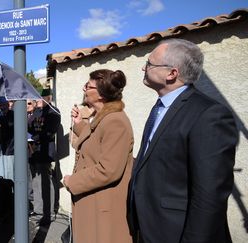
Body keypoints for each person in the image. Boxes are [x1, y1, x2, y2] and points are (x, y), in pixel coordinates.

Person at [128, 39, 238, 243]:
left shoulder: (209, 114)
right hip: (149, 229)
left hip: (177, 233)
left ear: (172, 73)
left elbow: (209, 196)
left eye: (150, 63)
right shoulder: (159, 108)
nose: (144, 67)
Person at [63, 69, 134, 243]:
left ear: (101, 94)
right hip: (94, 203)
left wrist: (72, 182)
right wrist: (79, 124)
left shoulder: (115, 121)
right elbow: (94, 140)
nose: (84, 90)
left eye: (88, 86)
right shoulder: (103, 118)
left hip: (103, 208)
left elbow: (108, 170)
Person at [28, 88, 61, 225]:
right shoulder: (37, 111)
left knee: (46, 181)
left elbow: (49, 131)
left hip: (45, 151)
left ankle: (49, 210)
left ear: (48, 98)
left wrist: (34, 138)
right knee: (36, 179)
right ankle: (39, 208)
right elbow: (29, 126)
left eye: (41, 98)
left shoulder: (53, 112)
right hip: (34, 150)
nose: (38, 101)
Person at [0, 96, 14, 180]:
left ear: (8, 104)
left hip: (10, 149)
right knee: (3, 173)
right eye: (1, 105)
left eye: (4, 104)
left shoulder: (13, 115)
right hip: (1, 149)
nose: (2, 107)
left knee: (10, 173)